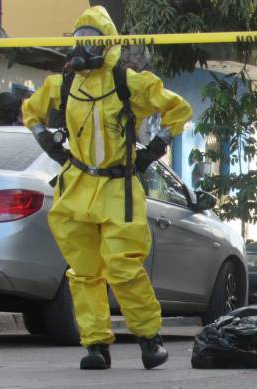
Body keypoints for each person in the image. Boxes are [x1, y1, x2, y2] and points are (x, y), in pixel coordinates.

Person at [23, 6, 192, 370]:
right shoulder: (63, 85)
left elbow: (178, 110)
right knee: (83, 273)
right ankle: (96, 344)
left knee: (123, 267)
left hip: (119, 189)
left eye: (91, 40)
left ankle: (149, 338)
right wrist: (48, 144)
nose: (83, 48)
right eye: (79, 39)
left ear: (106, 43)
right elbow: (30, 112)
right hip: (77, 186)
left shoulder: (129, 82)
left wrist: (155, 148)